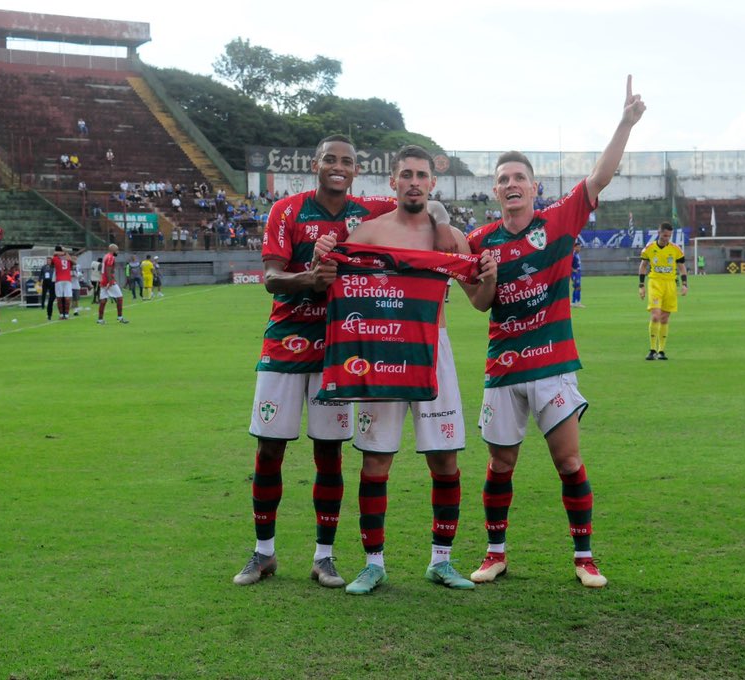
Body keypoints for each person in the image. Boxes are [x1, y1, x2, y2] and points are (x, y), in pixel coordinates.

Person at [232, 134, 457, 590]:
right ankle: (264, 552)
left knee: (329, 452)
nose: (338, 167)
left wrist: (439, 212)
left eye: (347, 162)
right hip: (286, 344)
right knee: (269, 450)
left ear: (357, 171)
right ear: (315, 163)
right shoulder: (287, 211)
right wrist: (310, 278)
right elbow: (272, 279)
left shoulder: (367, 209)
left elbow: (418, 206)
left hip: (340, 348)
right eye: (330, 160)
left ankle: (324, 556)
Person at [465, 75, 646, 589]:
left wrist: (625, 123)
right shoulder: (481, 241)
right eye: (504, 178)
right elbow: (480, 304)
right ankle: (494, 553)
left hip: (552, 365)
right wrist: (489, 282)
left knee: (568, 460)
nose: (512, 183)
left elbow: (598, 178)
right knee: (501, 465)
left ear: (533, 186)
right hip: (503, 368)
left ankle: (584, 557)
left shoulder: (559, 221)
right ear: (496, 189)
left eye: (520, 176)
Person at [314, 145, 495, 596]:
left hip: (435, 352)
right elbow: (334, 277)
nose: (414, 181)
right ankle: (373, 564)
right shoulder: (370, 233)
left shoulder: (449, 237)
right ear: (392, 182)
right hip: (381, 353)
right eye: (406, 174)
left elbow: (479, 300)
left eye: (421, 175)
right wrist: (323, 252)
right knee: (375, 461)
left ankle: (442, 560)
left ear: (432, 183)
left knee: (445, 458)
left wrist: (488, 274)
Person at [638, 222, 688, 361]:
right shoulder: (649, 248)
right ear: (659, 233)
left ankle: (661, 351)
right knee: (655, 316)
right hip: (655, 283)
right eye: (665, 235)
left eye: (669, 236)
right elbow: (643, 267)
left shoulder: (675, 249)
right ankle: (652, 349)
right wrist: (641, 285)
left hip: (670, 285)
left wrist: (684, 284)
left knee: (665, 318)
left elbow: (682, 268)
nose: (667, 238)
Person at [96, 244, 128, 325]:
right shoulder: (111, 257)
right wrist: (110, 282)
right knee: (120, 298)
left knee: (103, 300)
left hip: (103, 280)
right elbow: (108, 270)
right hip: (108, 281)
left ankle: (100, 320)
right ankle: (120, 317)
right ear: (113, 250)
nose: (118, 252)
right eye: (117, 250)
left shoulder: (106, 256)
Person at [51, 246, 73, 320]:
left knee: (59, 298)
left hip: (59, 279)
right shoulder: (68, 259)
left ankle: (61, 315)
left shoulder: (54, 258)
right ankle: (66, 314)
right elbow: (73, 264)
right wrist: (65, 252)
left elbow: (51, 264)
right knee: (67, 298)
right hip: (68, 279)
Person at [570, 240, 584, 308]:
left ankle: (574, 302)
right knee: (577, 287)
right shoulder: (573, 255)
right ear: (574, 247)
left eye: (580, 247)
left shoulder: (577, 255)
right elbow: (569, 264)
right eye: (578, 247)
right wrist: (573, 270)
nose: (579, 248)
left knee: (577, 287)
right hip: (575, 273)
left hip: (578, 273)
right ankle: (576, 303)